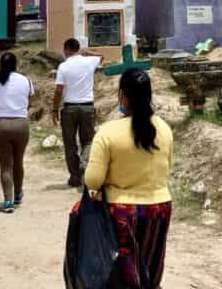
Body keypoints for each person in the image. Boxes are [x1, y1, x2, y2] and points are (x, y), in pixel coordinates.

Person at [85, 69, 173, 289]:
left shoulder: (108, 132)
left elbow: (93, 180)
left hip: (122, 212)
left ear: (122, 95)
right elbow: (166, 166)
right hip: (159, 209)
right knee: (150, 273)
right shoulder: (163, 128)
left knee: (123, 277)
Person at [0, 51, 34, 213]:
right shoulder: (26, 80)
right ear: (15, 64)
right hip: (21, 124)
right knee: (18, 161)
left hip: (0, 125)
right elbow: (30, 101)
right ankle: (19, 194)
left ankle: (7, 201)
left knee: (5, 165)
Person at [52, 38, 102, 187]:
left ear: (66, 49)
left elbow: (59, 90)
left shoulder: (63, 66)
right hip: (87, 107)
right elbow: (102, 57)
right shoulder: (89, 61)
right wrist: (87, 53)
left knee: (70, 143)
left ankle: (75, 176)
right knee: (88, 140)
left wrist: (54, 109)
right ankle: (84, 163)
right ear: (78, 49)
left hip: (69, 108)